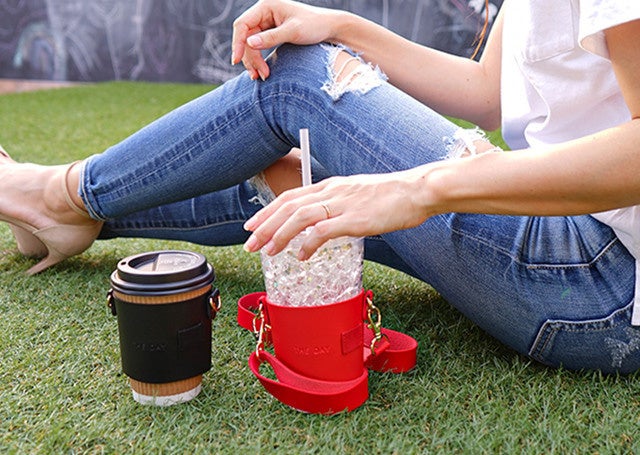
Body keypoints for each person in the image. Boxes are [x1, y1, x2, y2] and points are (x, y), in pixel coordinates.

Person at [2, 0, 640, 374]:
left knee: (300, 79)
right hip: (572, 248)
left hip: (603, 280)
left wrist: (419, 188)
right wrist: (341, 25)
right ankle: (80, 217)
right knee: (297, 181)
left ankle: (60, 195)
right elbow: (485, 94)